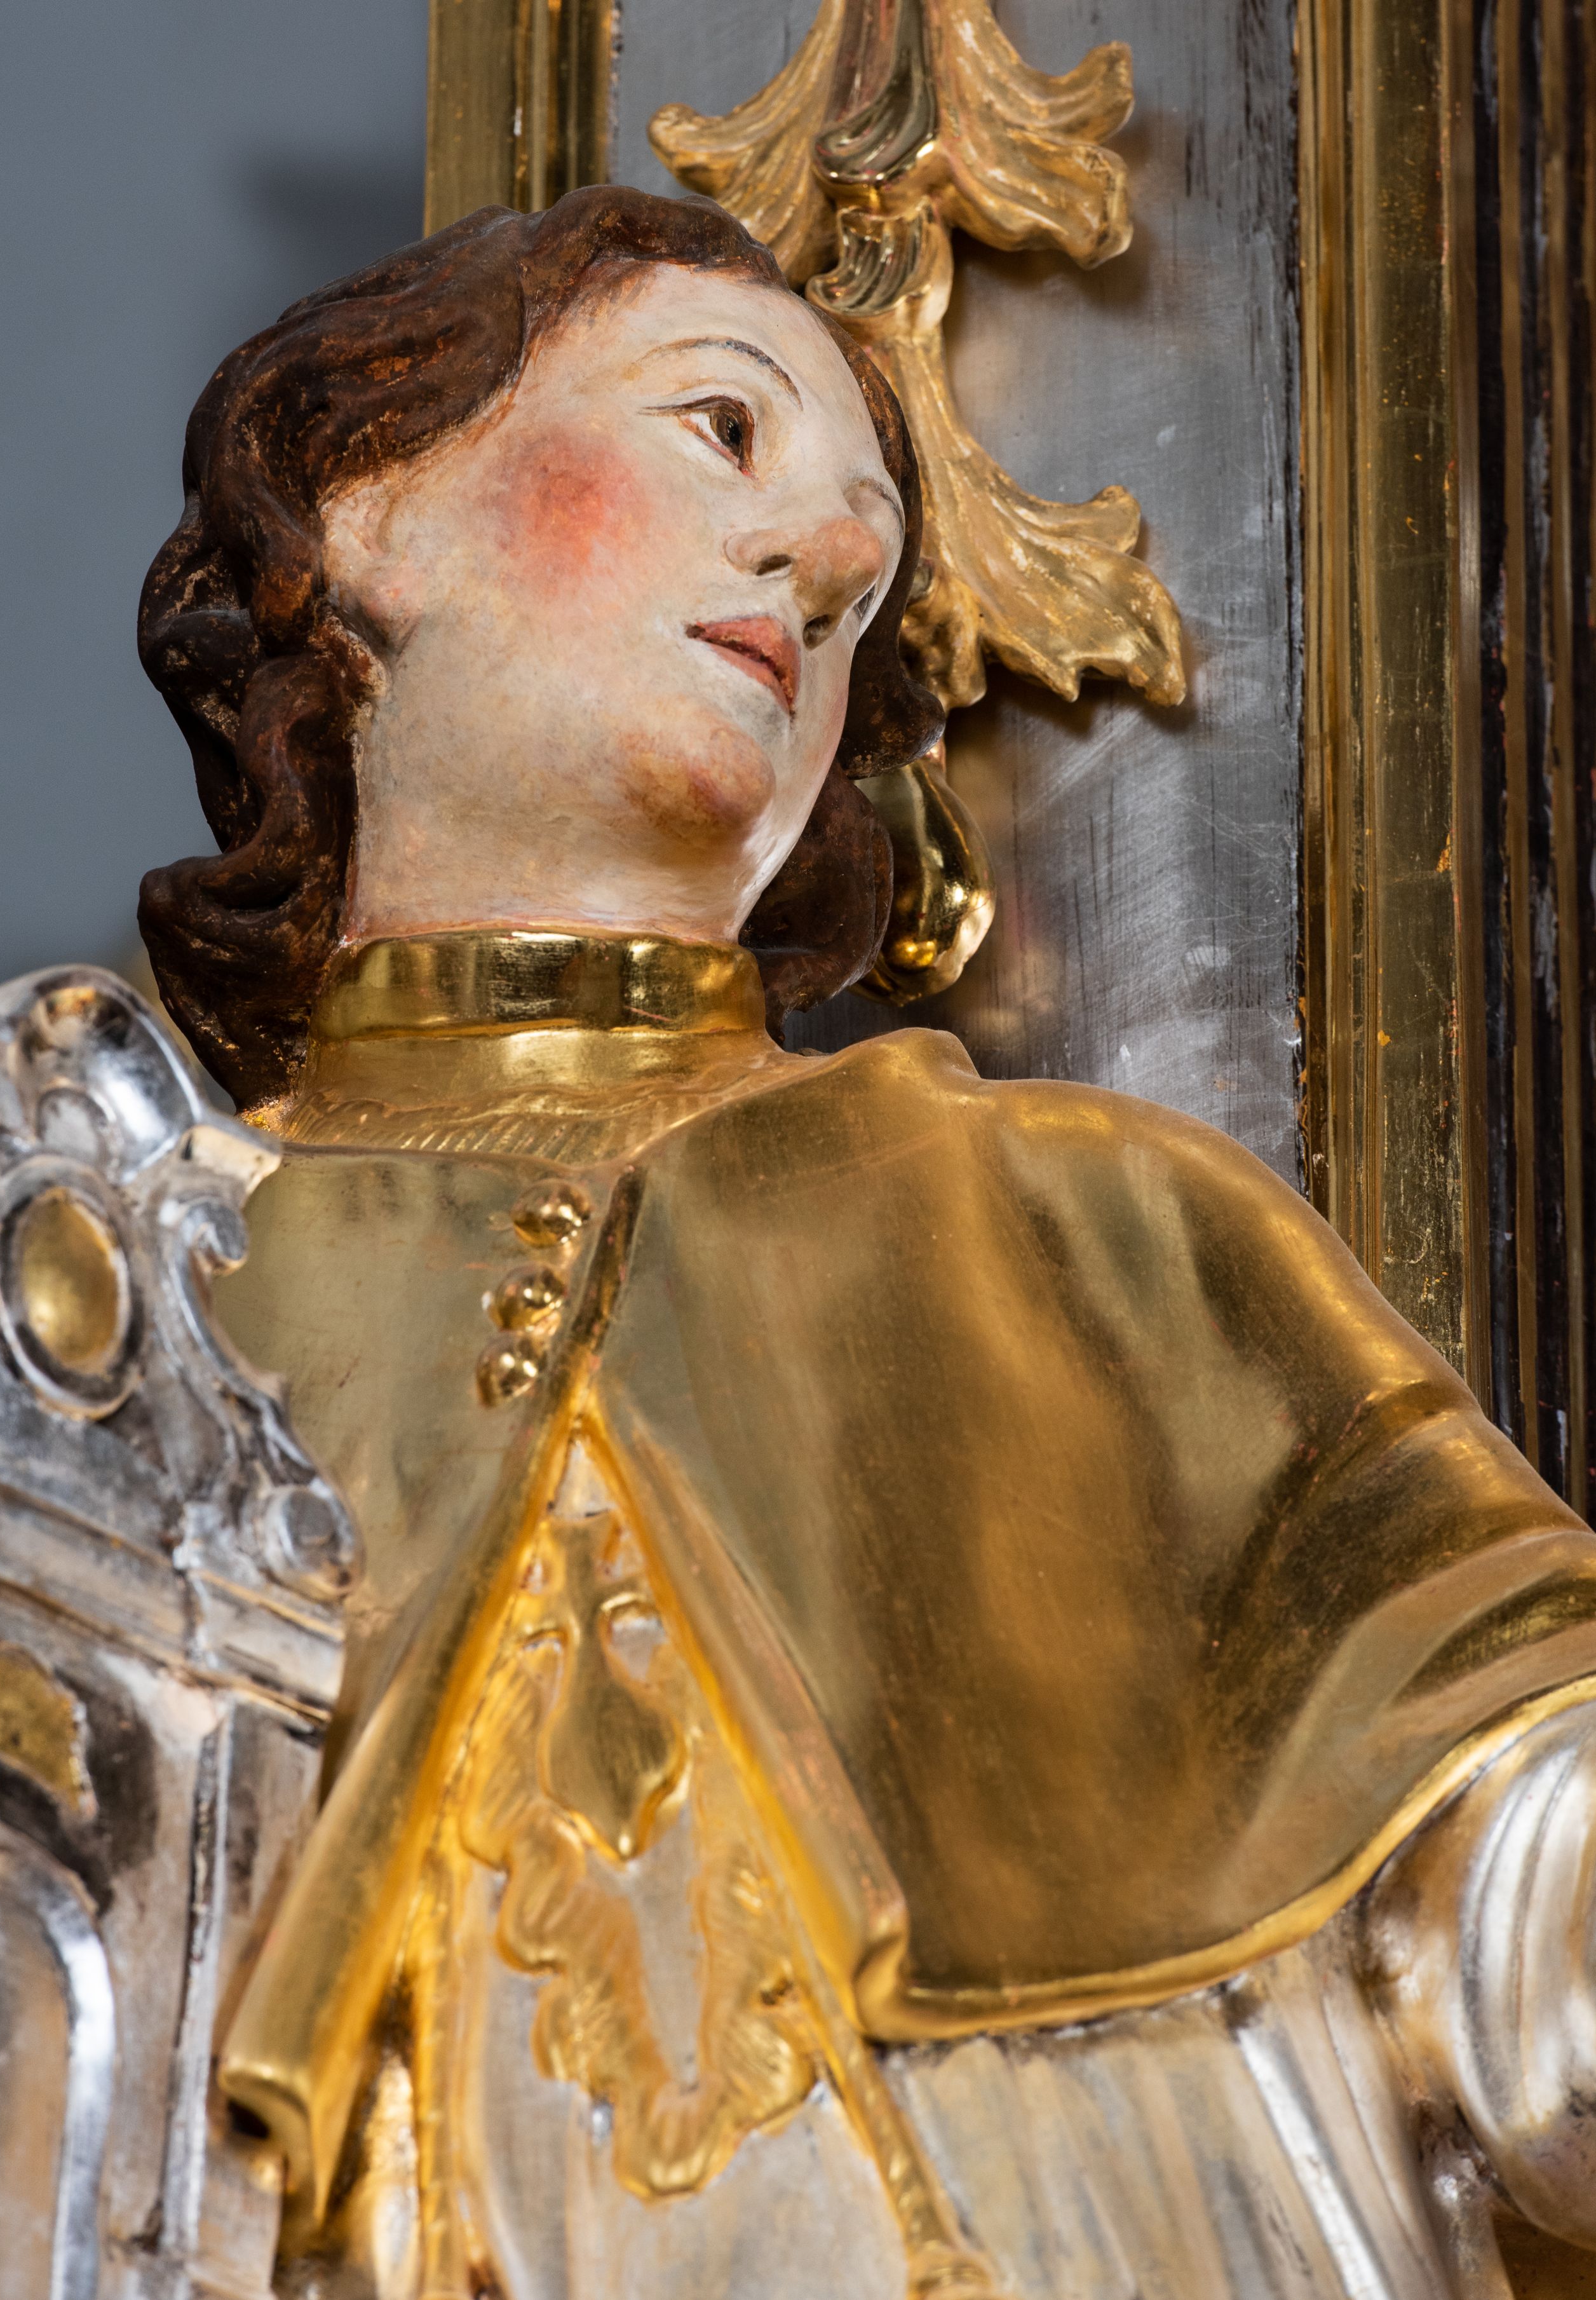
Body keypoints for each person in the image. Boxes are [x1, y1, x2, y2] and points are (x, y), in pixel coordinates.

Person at [138, 184, 1596, 2299]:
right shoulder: (127, 1288)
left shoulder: (1101, 1232)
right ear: (368, 511)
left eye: (870, 556)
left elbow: (1525, 1883)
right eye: (722, 428)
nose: (829, 555)